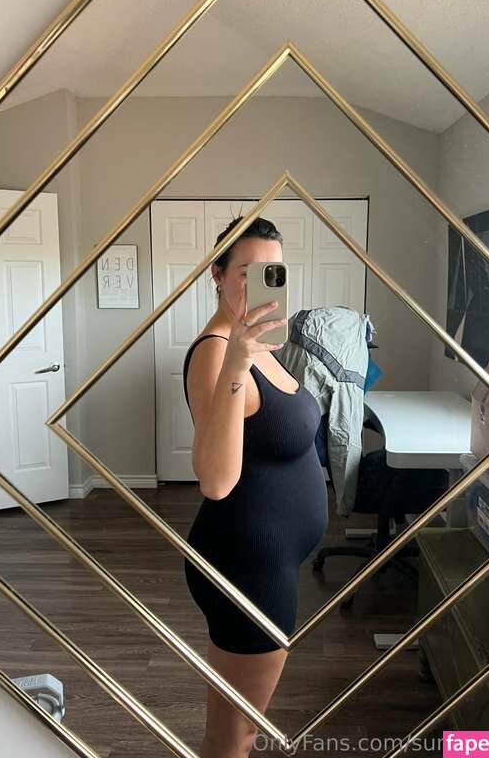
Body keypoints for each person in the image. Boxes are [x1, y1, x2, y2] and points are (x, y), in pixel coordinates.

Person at [182, 214, 329, 758]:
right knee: (233, 739)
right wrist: (238, 360)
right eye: (246, 271)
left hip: (269, 563)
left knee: (239, 730)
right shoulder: (218, 351)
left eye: (273, 271)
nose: (261, 282)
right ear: (217, 274)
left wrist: (250, 351)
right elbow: (216, 481)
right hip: (247, 569)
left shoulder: (258, 343)